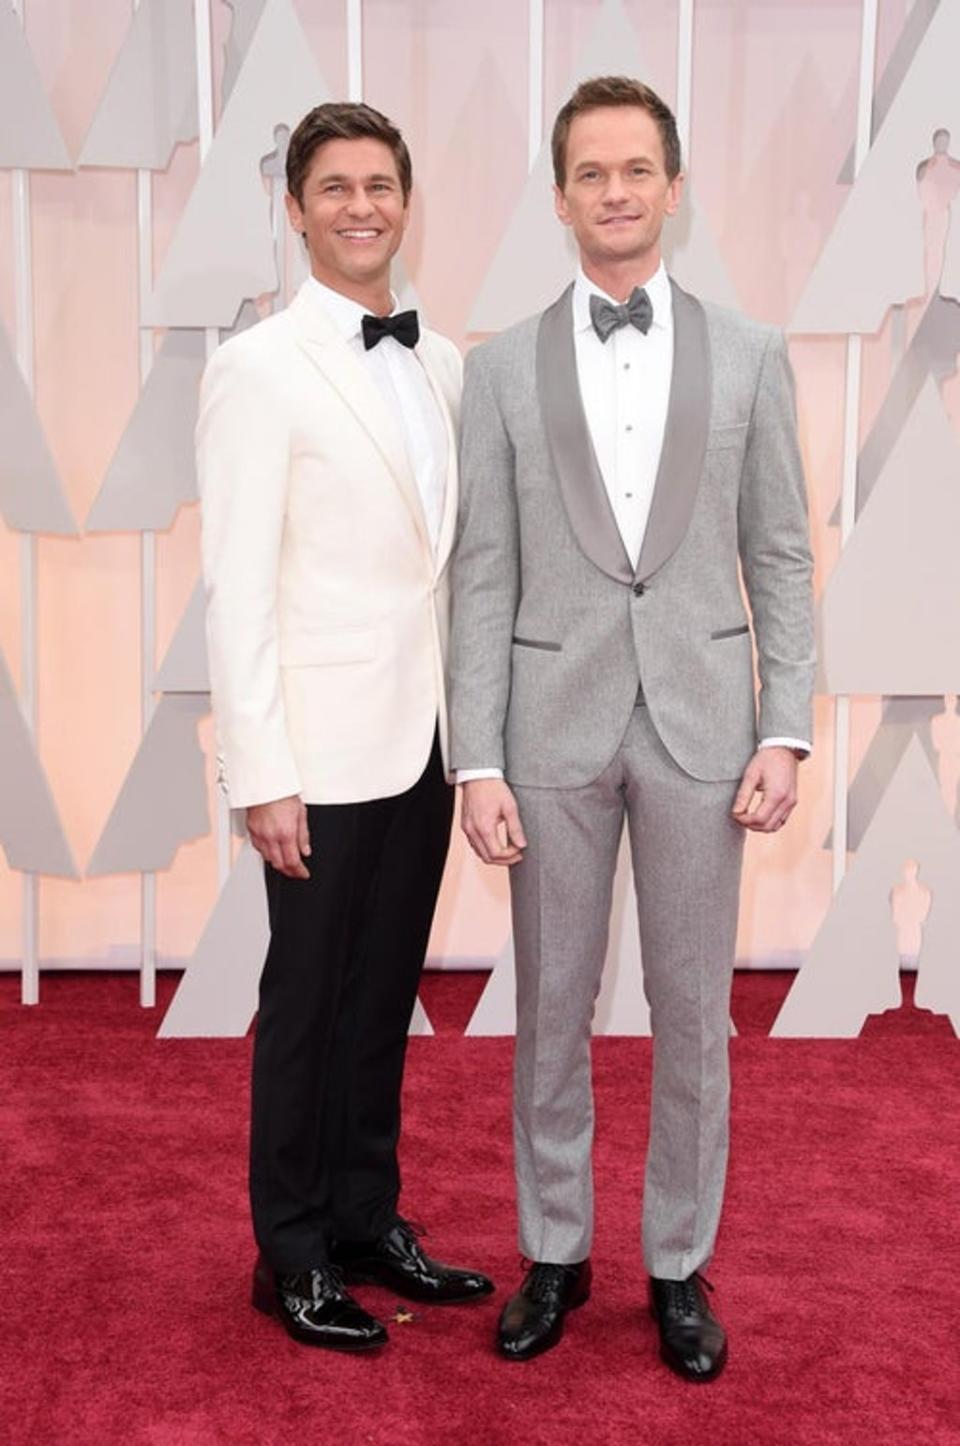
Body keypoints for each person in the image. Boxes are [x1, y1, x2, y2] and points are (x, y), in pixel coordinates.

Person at [449, 76, 814, 1379]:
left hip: (706, 730)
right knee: (549, 1006)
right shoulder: (494, 370)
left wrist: (788, 728)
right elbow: (480, 574)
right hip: (547, 731)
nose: (614, 190)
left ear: (673, 187)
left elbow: (780, 558)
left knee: (691, 1011)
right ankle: (557, 1247)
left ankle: (677, 1262)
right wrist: (476, 755)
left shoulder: (757, 357)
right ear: (561, 197)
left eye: (636, 169)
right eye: (590, 171)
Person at [197, 101, 493, 1353]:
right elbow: (238, 583)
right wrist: (262, 771)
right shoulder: (257, 366)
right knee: (309, 1002)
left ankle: (369, 1219)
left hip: (418, 741)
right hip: (313, 754)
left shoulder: (445, 361)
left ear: (406, 199)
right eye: (335, 187)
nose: (360, 206)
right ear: (298, 208)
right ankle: (294, 1252)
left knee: (382, 1000)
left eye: (380, 184)